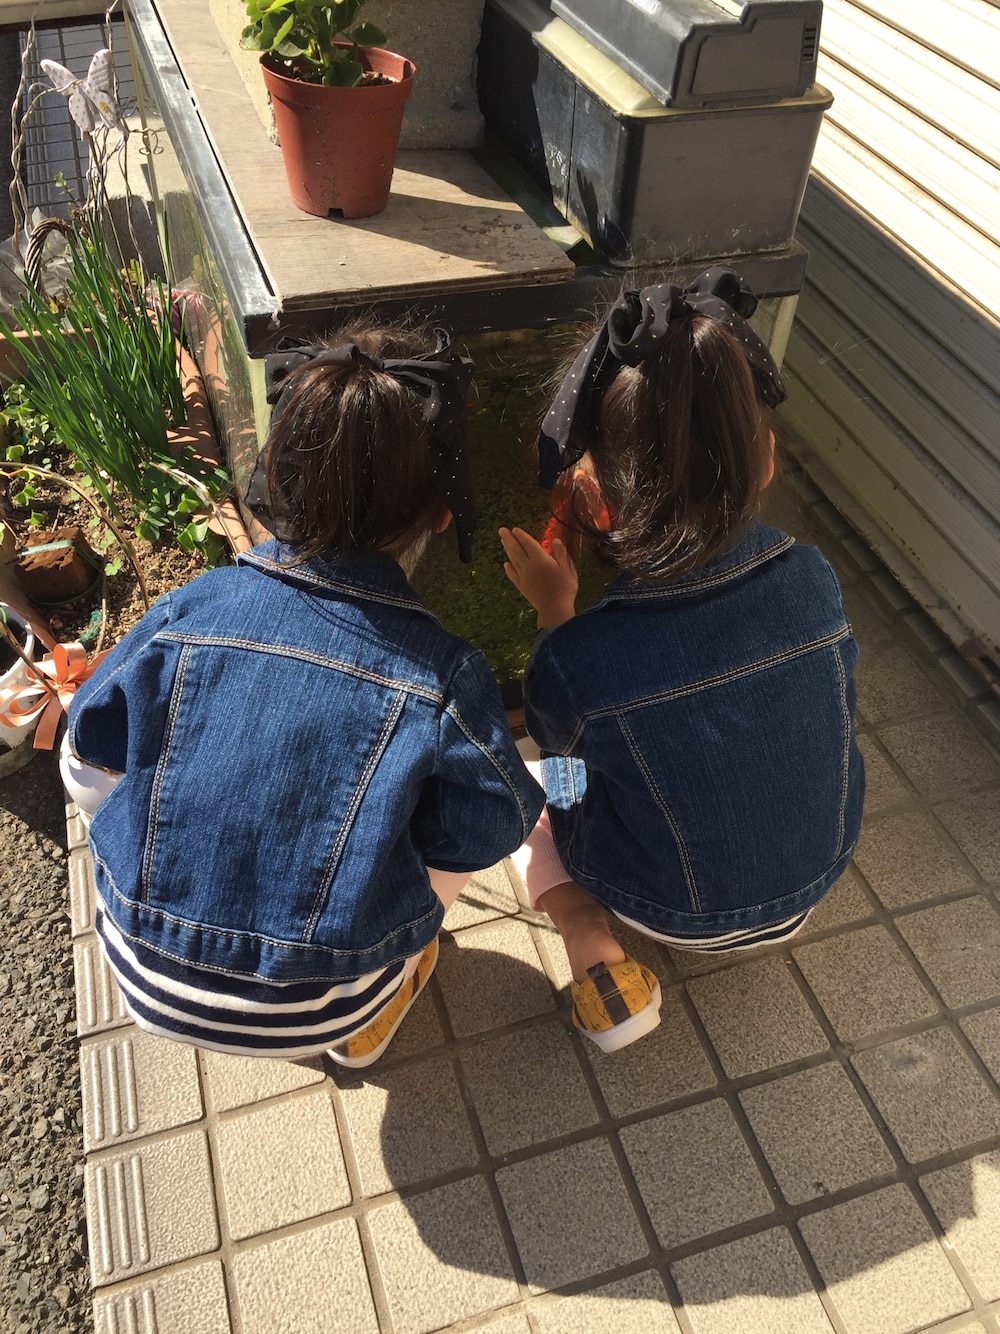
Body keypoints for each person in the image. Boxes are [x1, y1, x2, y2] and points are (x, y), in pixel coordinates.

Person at [64, 324, 544, 1067]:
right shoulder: (444, 672)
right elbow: (500, 818)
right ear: (443, 511)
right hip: (322, 1002)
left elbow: (86, 740)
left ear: (276, 482)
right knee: (444, 833)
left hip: (139, 963)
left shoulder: (196, 606)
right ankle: (372, 1005)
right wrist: (391, 842)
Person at [500, 268, 865, 1054]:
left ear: (596, 499)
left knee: (531, 782)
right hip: (816, 878)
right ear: (765, 461)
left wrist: (556, 613)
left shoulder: (577, 659)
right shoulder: (814, 578)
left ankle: (585, 931)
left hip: (668, 911)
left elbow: (568, 766)